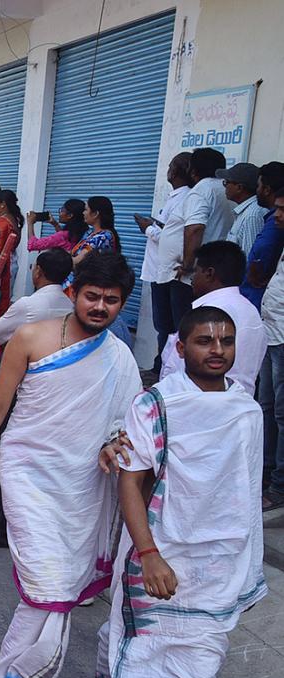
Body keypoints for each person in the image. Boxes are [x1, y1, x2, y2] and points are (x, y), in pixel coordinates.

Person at [0, 253, 141, 678]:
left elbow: (127, 428)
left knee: (55, 592)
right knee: (47, 584)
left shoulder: (119, 357)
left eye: (111, 300)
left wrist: (112, 444)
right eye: (92, 296)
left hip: (83, 486)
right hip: (27, 476)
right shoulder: (31, 337)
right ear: (73, 292)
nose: (100, 307)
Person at [94, 306, 264, 678]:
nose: (217, 349)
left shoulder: (246, 408)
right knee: (159, 649)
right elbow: (131, 482)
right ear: (180, 347)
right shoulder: (157, 405)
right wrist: (149, 554)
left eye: (226, 340)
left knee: (200, 655)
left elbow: (243, 491)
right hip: (163, 549)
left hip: (220, 559)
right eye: (204, 340)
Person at [0, 249, 75, 549]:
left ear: (38, 271)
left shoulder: (29, 306)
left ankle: (5, 525)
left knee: (9, 452)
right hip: (60, 393)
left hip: (25, 388)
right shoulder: (70, 305)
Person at [159, 241, 265, 397]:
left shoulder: (208, 315)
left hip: (197, 405)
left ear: (209, 273)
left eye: (196, 271)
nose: (192, 278)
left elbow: (177, 367)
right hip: (238, 404)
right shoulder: (251, 311)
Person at [134, 153, 194, 370]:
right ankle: (160, 365)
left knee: (168, 326)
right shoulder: (176, 196)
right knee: (164, 326)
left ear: (176, 170)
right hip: (160, 270)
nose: (167, 170)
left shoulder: (186, 197)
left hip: (169, 272)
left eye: (170, 166)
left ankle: (163, 368)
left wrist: (148, 228)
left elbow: (173, 238)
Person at [257, 232, 284, 511]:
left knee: (281, 413)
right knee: (266, 406)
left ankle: (278, 487)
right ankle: (264, 472)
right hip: (271, 332)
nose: (276, 215)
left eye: (281, 209)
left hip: (282, 338)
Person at [181, 148, 233, 279]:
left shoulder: (202, 190)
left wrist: (187, 265)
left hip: (202, 270)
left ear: (193, 171)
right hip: (224, 266)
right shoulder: (227, 188)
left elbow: (194, 229)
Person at [240, 163, 284, 307]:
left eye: (258, 186)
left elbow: (264, 247)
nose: (256, 190)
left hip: (260, 299)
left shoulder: (274, 222)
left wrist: (256, 264)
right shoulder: (272, 218)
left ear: (267, 190)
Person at [220, 162, 263, 254]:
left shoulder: (252, 215)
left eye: (226, 182)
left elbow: (249, 256)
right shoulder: (246, 211)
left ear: (239, 188)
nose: (225, 186)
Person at [0, 189, 24, 311]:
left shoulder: (3, 222)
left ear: (3, 204)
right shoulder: (14, 219)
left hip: (3, 266)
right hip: (11, 262)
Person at [72, 195, 121, 264]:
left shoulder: (103, 237)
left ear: (95, 214)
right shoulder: (90, 233)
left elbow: (77, 262)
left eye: (86, 209)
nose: (83, 213)